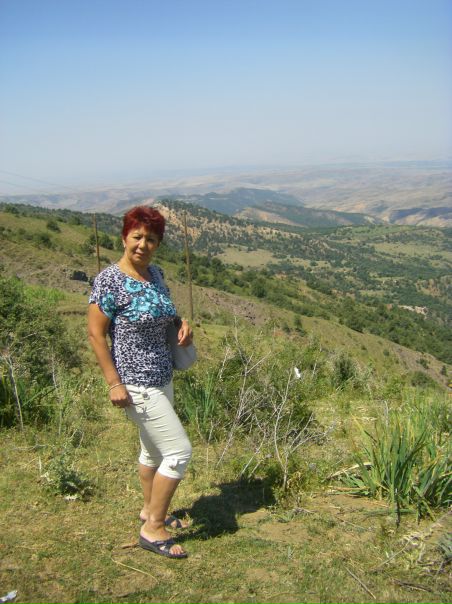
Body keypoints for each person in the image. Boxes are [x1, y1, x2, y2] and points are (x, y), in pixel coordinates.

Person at [87, 206, 193, 559]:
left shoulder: (156, 274)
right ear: (124, 238)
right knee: (178, 452)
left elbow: (166, 313)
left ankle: (149, 510)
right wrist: (113, 383)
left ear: (158, 244)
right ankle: (154, 529)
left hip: (162, 374)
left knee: (153, 452)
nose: (143, 245)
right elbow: (96, 334)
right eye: (137, 237)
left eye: (151, 239)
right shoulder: (109, 281)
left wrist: (181, 324)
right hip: (136, 382)